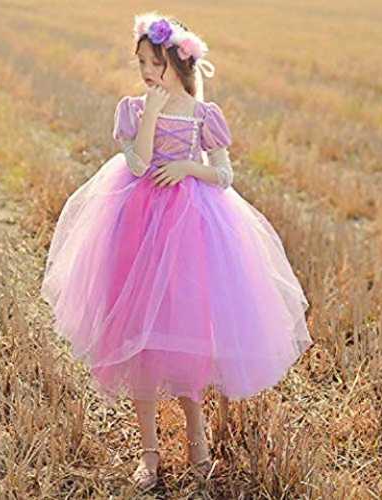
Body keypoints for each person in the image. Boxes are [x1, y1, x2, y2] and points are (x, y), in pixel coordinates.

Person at [40, 11, 314, 492]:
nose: (147, 71)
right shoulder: (133, 109)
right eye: (141, 63)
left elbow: (224, 175)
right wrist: (150, 112)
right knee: (139, 338)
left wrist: (189, 167)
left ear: (178, 63)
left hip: (189, 228)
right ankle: (148, 455)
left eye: (155, 63)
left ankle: (197, 445)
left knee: (187, 333)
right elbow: (139, 163)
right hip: (136, 226)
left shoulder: (203, 115)